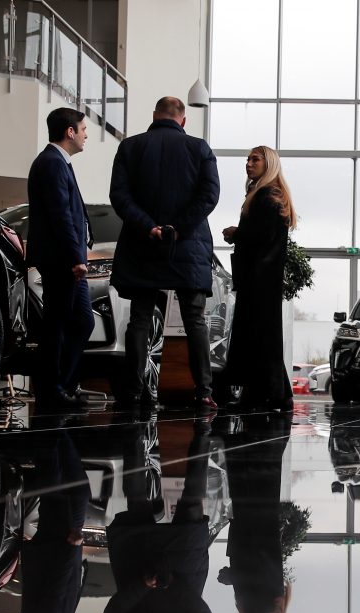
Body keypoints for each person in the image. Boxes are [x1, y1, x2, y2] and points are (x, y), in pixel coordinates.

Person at [109, 96, 220, 412]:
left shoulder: (130, 147)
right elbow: (209, 196)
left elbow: (119, 195)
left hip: (142, 244)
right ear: (183, 120)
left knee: (140, 319)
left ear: (155, 115)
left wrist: (150, 227)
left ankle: (132, 391)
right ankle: (203, 393)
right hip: (188, 245)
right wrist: (177, 228)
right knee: (195, 321)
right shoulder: (200, 149)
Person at [103, 420, 215, 613]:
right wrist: (144, 585)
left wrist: (173, 585)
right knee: (136, 498)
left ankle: (202, 432)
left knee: (191, 497)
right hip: (135, 566)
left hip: (184, 569)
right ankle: (134, 433)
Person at [26, 107, 95, 410]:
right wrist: (74, 256)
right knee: (58, 324)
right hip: (61, 260)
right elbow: (60, 216)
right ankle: (51, 390)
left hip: (69, 258)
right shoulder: (52, 163)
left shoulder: (59, 162)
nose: (86, 134)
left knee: (81, 321)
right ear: (70, 132)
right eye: (83, 129)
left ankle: (63, 385)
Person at [18, 430, 90, 613]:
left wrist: (70, 550)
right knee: (73, 492)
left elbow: (54, 593)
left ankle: (52, 426)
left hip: (57, 547)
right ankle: (55, 429)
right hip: (55, 548)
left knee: (58, 489)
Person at [222, 146, 296, 412]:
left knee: (256, 336)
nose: (249, 164)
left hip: (258, 278)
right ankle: (275, 394)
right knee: (264, 336)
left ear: (269, 164)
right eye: (247, 159)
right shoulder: (271, 195)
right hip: (264, 278)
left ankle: (261, 396)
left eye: (255, 159)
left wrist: (235, 233)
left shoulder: (266, 195)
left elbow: (261, 237)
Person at [218, 414, 293, 613]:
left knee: (258, 474)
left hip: (256, 530)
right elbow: (261, 573)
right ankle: (259, 426)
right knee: (251, 474)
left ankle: (264, 428)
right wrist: (233, 576)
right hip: (254, 531)